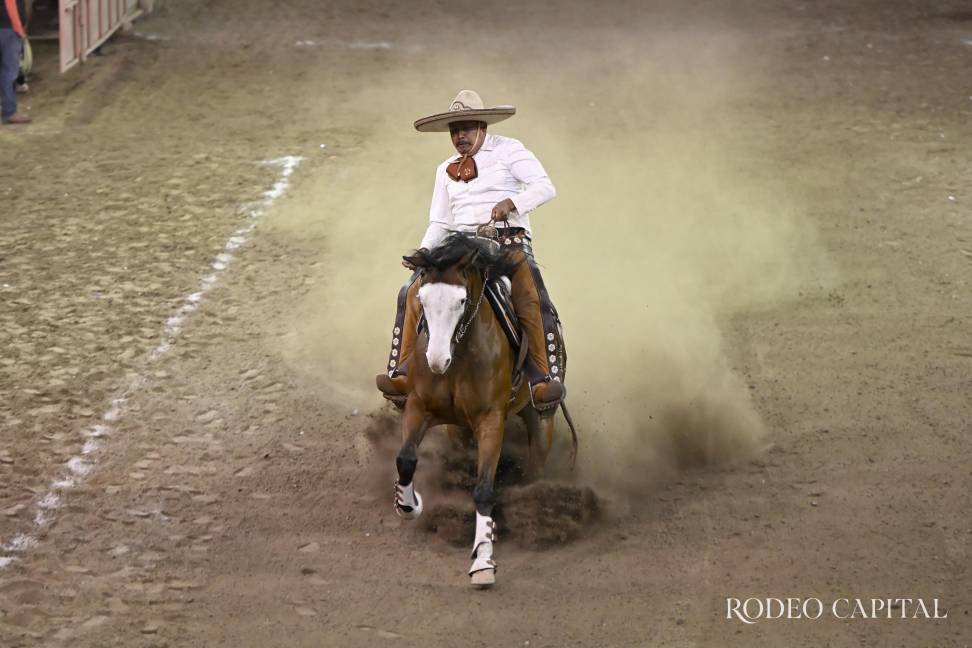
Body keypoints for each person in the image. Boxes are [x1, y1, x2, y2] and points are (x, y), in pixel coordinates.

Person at [376, 90, 565, 410]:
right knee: (410, 292)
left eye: (465, 128)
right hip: (460, 250)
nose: (459, 136)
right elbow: (440, 221)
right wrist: (425, 252)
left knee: (530, 294)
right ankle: (402, 372)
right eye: (454, 130)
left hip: (507, 243)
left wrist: (512, 203)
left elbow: (545, 187)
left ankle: (542, 378)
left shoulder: (509, 150)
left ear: (481, 126)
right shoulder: (444, 169)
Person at [1, 0, 30, 124]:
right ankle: (9, 112)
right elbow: (11, 5)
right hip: (7, 30)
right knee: (9, 72)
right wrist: (19, 29)